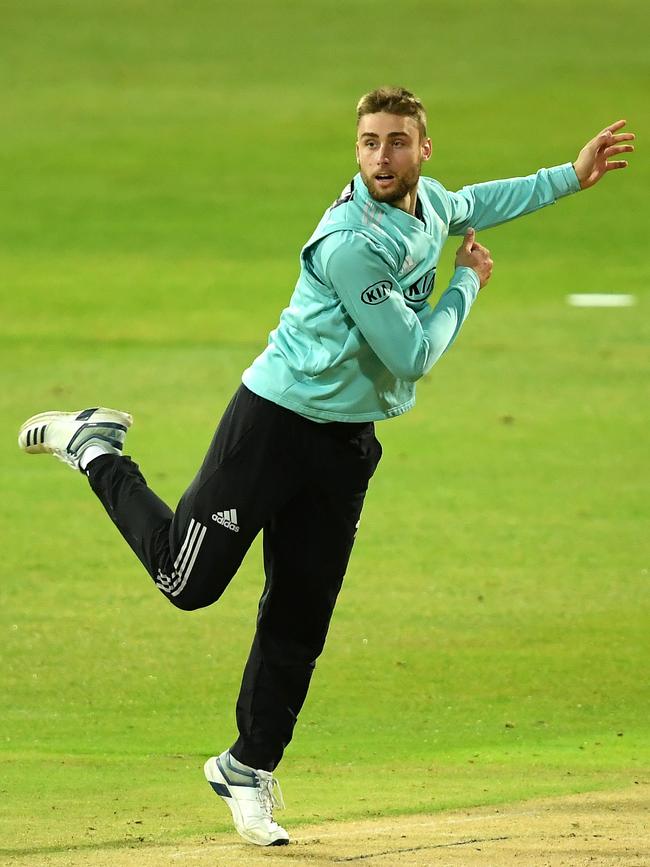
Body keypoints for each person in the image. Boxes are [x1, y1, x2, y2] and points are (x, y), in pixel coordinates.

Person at [18, 87, 634, 847]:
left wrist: (569, 176)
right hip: (273, 424)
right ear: (357, 149)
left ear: (423, 149)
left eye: (398, 142)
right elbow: (410, 352)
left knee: (300, 618)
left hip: (344, 445)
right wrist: (467, 283)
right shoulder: (348, 240)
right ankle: (95, 448)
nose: (383, 156)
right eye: (370, 142)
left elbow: (477, 199)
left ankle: (247, 767)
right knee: (188, 583)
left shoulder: (429, 205)